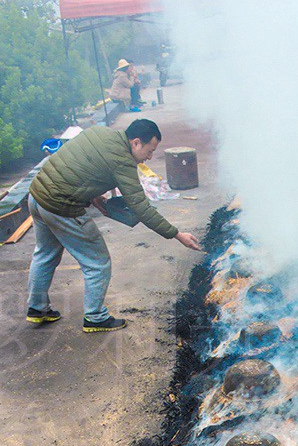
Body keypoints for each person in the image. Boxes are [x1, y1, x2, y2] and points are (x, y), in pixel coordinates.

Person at [26, 119, 202, 332]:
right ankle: (95, 317)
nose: (149, 157)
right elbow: (142, 209)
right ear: (136, 142)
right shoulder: (123, 162)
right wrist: (176, 234)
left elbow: (80, 166)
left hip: (37, 196)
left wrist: (93, 195)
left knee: (45, 254)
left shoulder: (100, 133)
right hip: (61, 206)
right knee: (97, 262)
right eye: (149, 150)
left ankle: (37, 309)